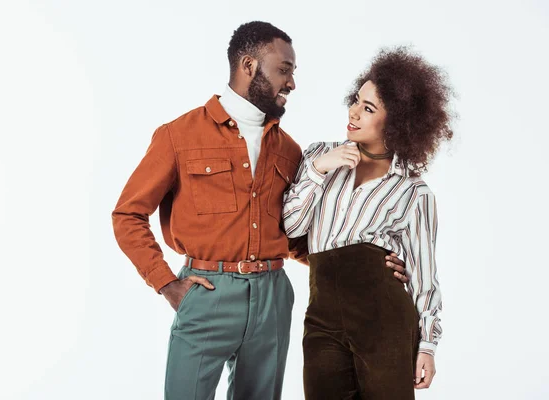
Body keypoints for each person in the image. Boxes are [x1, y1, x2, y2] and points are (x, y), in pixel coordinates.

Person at [112, 21, 408, 400]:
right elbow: (127, 215)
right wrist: (166, 283)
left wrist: (366, 265)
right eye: (284, 70)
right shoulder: (178, 136)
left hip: (272, 297)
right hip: (206, 292)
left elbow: (298, 236)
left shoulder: (290, 150)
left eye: (293, 73)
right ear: (248, 66)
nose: (292, 83)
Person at [283, 47, 454, 399]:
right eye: (356, 100)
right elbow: (291, 227)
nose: (354, 112)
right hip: (322, 317)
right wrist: (319, 170)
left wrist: (428, 346)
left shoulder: (413, 192)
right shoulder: (319, 155)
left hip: (385, 319)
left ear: (397, 122)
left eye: (368, 108)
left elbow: (423, 273)